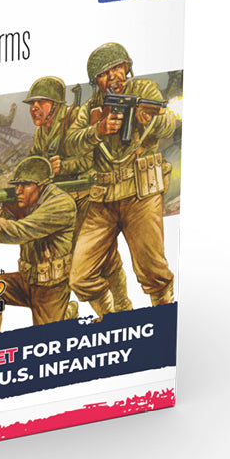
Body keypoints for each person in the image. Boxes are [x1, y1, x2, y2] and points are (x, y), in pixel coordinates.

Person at [66, 43, 178, 318]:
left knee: (153, 270)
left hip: (141, 194)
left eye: (118, 68)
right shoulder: (91, 108)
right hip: (103, 199)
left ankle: (164, 319)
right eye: (105, 73)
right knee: (80, 277)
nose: (115, 76)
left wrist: (149, 120)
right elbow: (71, 143)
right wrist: (98, 130)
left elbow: (168, 125)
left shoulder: (144, 90)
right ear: (96, 80)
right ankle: (113, 316)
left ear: (127, 67)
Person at [23, 76, 133, 312]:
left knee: (101, 257)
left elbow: (90, 159)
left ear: (55, 105)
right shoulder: (41, 133)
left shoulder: (75, 118)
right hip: (62, 203)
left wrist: (62, 166)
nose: (34, 108)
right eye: (32, 103)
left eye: (41, 102)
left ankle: (121, 307)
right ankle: (109, 312)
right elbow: (34, 160)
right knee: (78, 261)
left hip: (87, 198)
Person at [0, 156, 76, 333]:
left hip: (51, 288)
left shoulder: (61, 204)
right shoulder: (31, 201)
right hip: (27, 280)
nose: (18, 190)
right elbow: (17, 222)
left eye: (25, 185)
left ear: (42, 185)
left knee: (44, 343)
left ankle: (66, 314)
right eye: (17, 184)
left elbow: (22, 230)